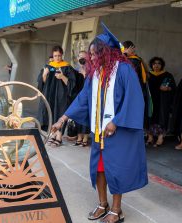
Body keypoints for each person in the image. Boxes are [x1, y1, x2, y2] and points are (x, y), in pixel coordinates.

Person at [51, 23, 148, 223]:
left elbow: (134, 99)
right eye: (91, 54)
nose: (92, 58)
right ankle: (102, 204)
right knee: (99, 169)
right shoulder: (95, 74)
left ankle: (116, 209)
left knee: (117, 169)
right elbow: (83, 99)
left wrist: (116, 121)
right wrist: (63, 118)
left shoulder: (124, 70)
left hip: (117, 132)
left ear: (107, 53)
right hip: (98, 131)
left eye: (95, 54)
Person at [37, 45, 77, 147]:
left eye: (59, 55)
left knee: (60, 113)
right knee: (51, 112)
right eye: (55, 56)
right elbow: (42, 83)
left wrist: (62, 76)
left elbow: (72, 84)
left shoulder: (67, 67)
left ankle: (59, 136)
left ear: (62, 55)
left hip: (62, 96)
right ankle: (53, 134)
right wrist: (44, 75)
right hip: (50, 95)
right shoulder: (48, 66)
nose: (57, 58)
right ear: (52, 56)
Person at [122, 40, 152, 132]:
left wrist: (124, 55)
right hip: (140, 91)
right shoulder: (137, 60)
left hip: (133, 91)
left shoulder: (133, 60)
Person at [148, 57, 176, 147]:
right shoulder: (148, 75)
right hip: (151, 101)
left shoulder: (167, 75)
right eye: (154, 63)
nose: (156, 65)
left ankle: (160, 137)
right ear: (151, 65)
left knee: (162, 118)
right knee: (150, 118)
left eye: (159, 63)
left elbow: (174, 89)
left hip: (163, 101)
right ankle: (150, 137)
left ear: (162, 65)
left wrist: (168, 88)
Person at [73, 50, 90, 147]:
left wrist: (84, 74)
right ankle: (79, 137)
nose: (81, 59)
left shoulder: (90, 69)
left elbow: (90, 84)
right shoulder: (76, 69)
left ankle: (85, 137)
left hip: (87, 96)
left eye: (84, 57)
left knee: (86, 116)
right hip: (78, 95)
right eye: (80, 57)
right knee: (78, 116)